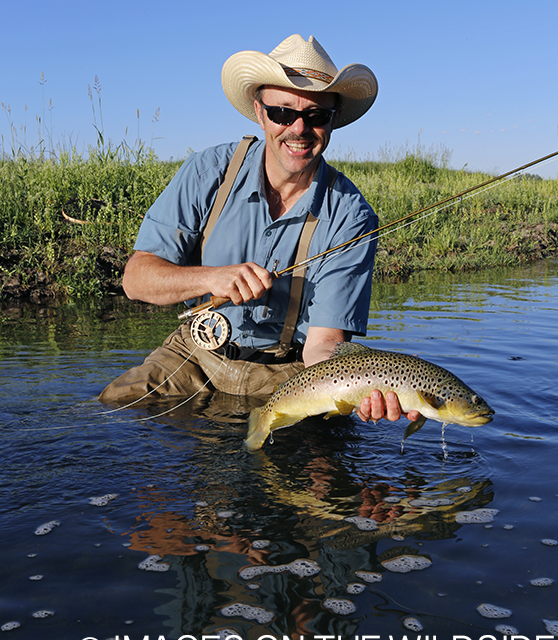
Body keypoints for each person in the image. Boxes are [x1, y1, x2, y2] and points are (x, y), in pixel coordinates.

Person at [98, 34, 420, 426]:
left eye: (316, 115)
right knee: (110, 413)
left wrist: (365, 387)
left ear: (333, 120)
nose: (298, 129)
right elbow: (136, 280)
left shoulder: (351, 217)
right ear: (259, 112)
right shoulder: (207, 173)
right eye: (283, 113)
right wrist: (215, 278)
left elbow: (323, 346)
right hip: (194, 354)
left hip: (289, 372)